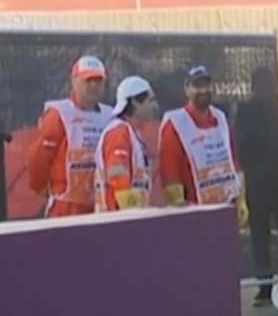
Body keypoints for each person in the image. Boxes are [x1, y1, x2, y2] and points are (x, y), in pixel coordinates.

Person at [236, 67, 278, 305]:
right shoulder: (245, 112)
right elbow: (242, 147)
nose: (267, 89)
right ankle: (265, 285)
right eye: (262, 84)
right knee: (260, 233)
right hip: (257, 180)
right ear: (254, 87)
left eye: (270, 84)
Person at [158, 65, 248, 226]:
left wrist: (241, 198)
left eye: (206, 85)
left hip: (224, 210)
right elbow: (170, 174)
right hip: (194, 216)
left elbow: (234, 162)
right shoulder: (176, 124)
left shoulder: (220, 118)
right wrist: (179, 212)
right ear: (186, 89)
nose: (203, 90)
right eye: (197, 86)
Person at [27, 55, 113, 218]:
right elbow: (38, 158)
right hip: (66, 205)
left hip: (100, 203)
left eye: (98, 80)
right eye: (88, 80)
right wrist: (41, 188)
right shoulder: (59, 113)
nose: (94, 85)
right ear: (74, 81)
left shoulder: (110, 114)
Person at [94, 76, 159, 212]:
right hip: (117, 221)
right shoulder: (119, 132)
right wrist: (131, 214)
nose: (155, 106)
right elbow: (118, 177)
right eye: (150, 101)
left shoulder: (132, 133)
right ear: (135, 102)